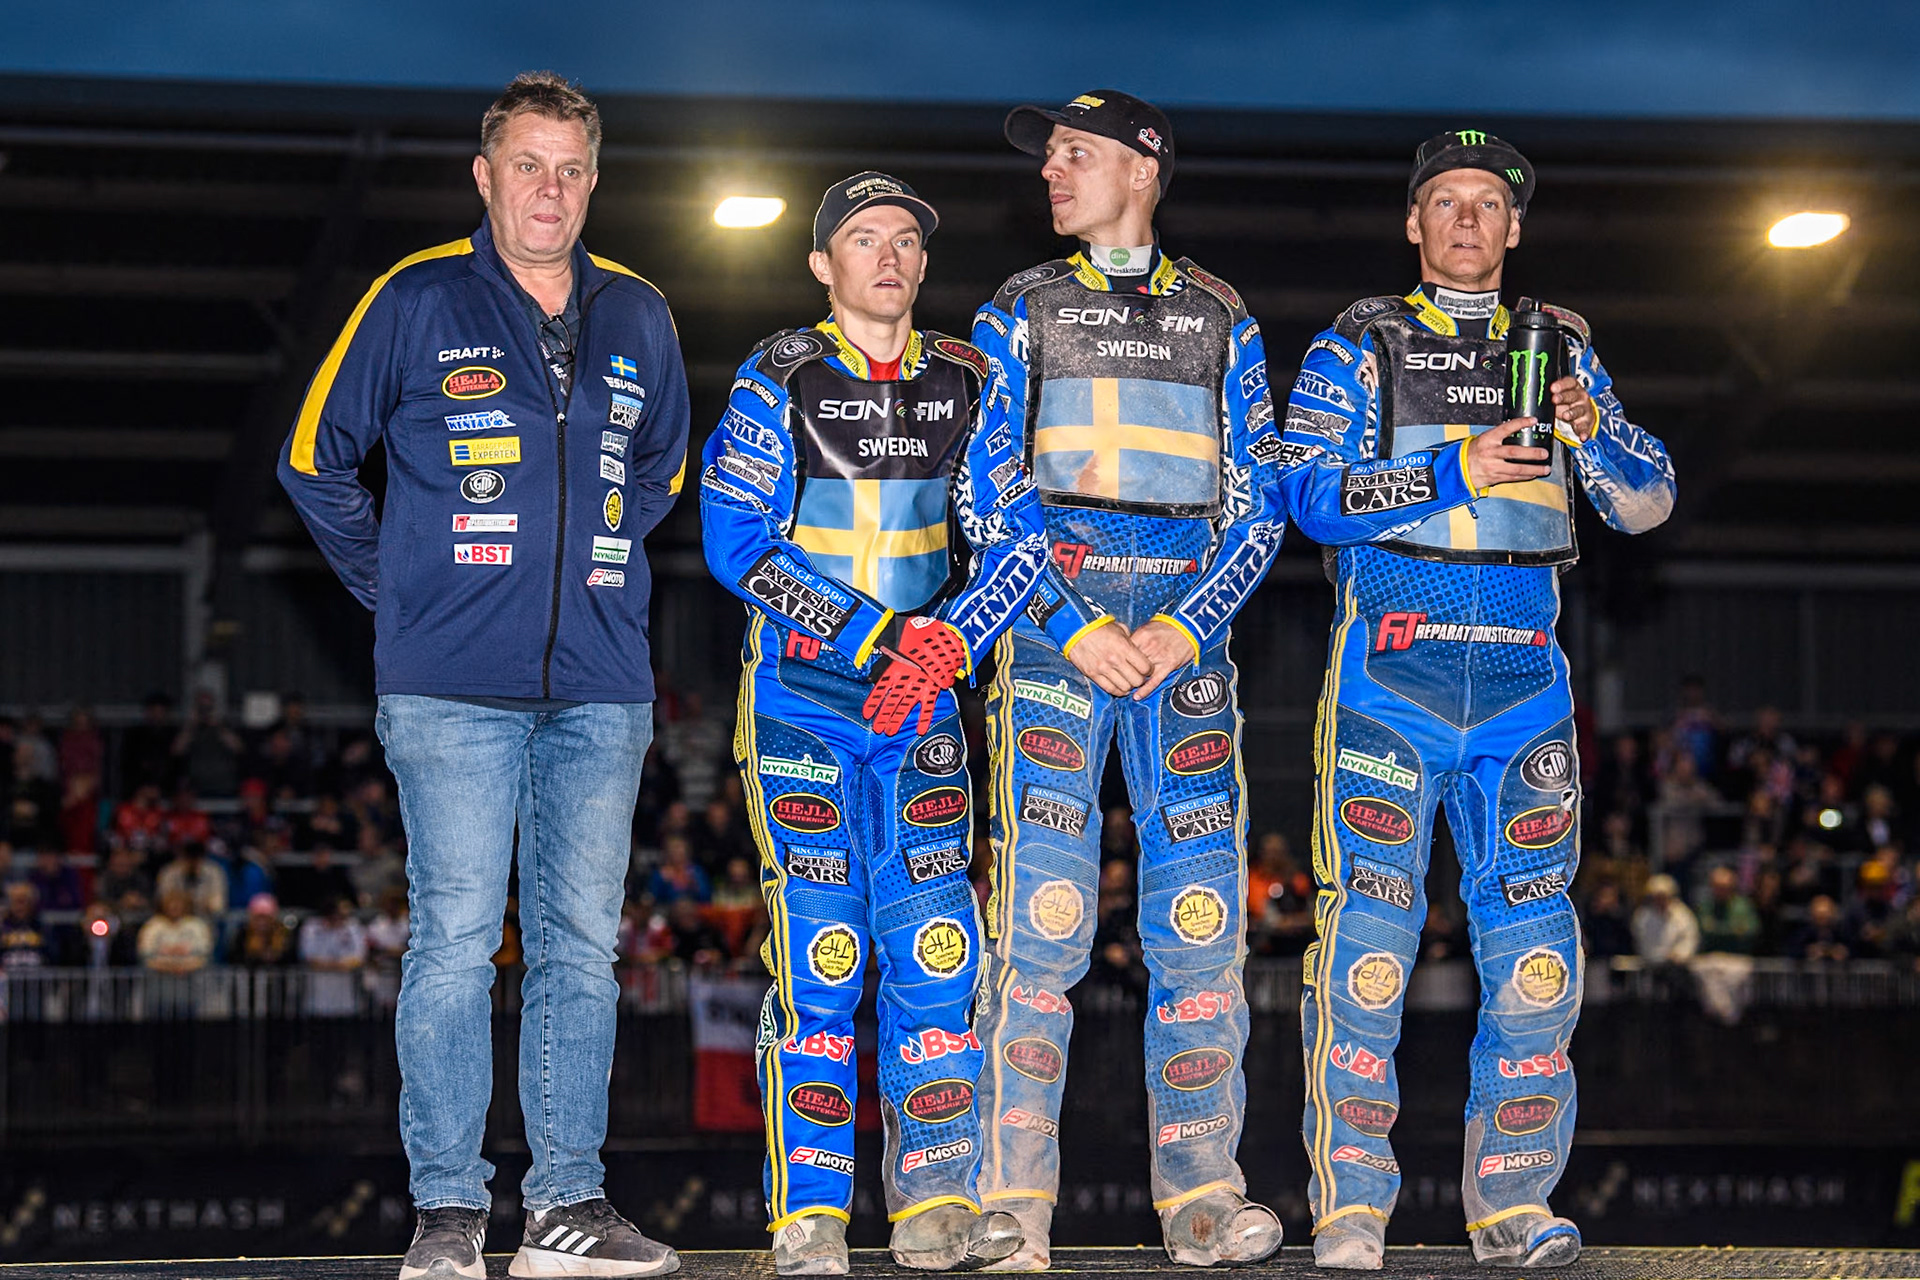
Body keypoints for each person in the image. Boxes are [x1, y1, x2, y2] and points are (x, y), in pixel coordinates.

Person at [967, 92, 1522, 1271]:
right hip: (1055, 652)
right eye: (1052, 157)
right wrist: (1068, 625)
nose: (1053, 173)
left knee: (1200, 938)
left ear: (1142, 168)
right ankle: (1010, 1200)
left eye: (1075, 154)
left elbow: (1260, 501)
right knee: (1039, 930)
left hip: (1185, 658)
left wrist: (1181, 625)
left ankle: (1203, 1195)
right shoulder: (1016, 307)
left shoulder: (1221, 313)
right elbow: (984, 494)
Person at [277, 71, 687, 1280]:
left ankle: (567, 1204)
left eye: (571, 169)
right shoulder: (414, 296)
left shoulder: (641, 313)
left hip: (603, 689)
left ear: (594, 181)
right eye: (527, 166)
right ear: (484, 176)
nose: (549, 190)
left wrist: (592, 574)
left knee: (581, 947)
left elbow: (659, 470)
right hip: (448, 688)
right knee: (455, 944)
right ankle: (450, 1209)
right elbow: (313, 459)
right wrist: (400, 589)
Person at [1287, 129, 1676, 1269]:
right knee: (1367, 941)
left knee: (1536, 948)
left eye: (1487, 205)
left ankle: (1512, 1201)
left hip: (1523, 686)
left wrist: (1593, 430)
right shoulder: (1360, 339)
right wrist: (1458, 467)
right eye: (1444, 202)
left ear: (1515, 228)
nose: (1466, 220)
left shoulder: (1565, 349)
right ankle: (1352, 1205)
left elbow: (1648, 504)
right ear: (1413, 224)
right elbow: (1303, 494)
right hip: (1390, 678)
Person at [701, 171, 1046, 1275]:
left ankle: (937, 1202)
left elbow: (1019, 540)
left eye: (905, 240)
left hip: (930, 705)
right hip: (807, 699)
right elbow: (735, 541)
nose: (888, 257)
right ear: (822, 264)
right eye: (863, 239)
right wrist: (879, 642)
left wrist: (947, 641)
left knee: (939, 946)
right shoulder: (776, 375)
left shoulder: (969, 377)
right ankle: (809, 1213)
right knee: (822, 949)